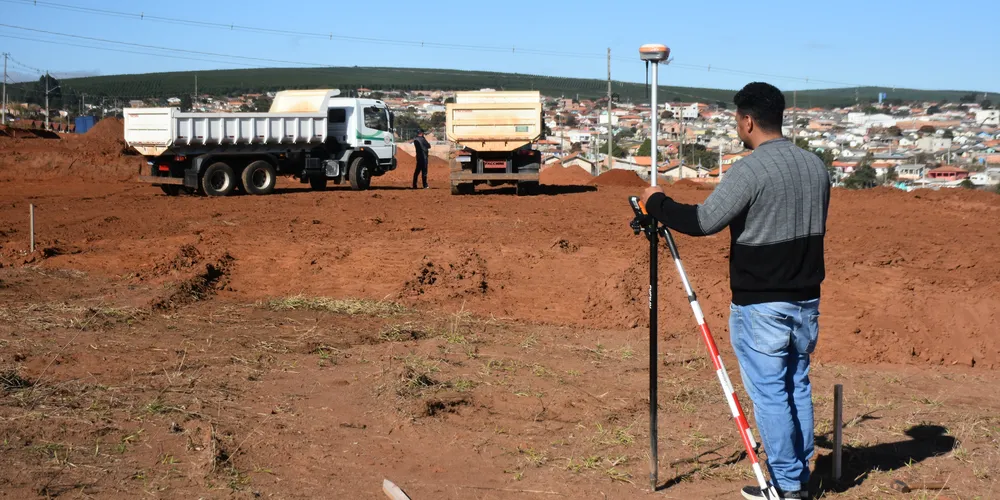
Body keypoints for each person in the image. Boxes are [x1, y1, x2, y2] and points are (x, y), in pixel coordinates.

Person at [640, 82, 830, 500]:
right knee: (797, 385)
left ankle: (785, 485)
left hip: (762, 303)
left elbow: (704, 221)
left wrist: (656, 204)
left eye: (736, 120)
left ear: (747, 121)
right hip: (806, 300)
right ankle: (799, 477)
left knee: (771, 394)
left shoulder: (751, 170)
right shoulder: (816, 166)